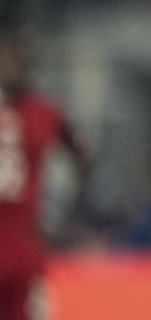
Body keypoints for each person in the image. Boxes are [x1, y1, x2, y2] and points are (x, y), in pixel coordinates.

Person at [0, 17, 91, 320]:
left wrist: (64, 216)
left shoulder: (44, 110)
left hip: (25, 242)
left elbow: (83, 157)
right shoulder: (44, 110)